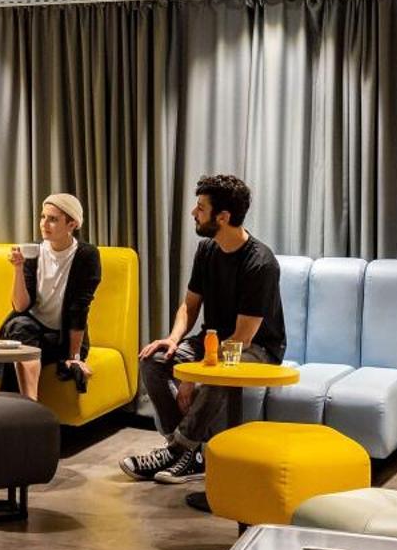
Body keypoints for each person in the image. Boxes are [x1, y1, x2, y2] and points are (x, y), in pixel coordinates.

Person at [119, 173, 286, 486]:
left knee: (222, 372)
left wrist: (195, 374)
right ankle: (188, 453)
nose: (193, 213)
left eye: (201, 208)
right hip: (211, 341)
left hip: (256, 349)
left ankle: (178, 450)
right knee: (153, 360)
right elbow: (189, 306)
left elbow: (242, 338)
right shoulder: (206, 250)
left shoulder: (261, 263)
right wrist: (172, 339)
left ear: (223, 217)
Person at [0, 193, 101, 401]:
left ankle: (21, 410)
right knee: (20, 327)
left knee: (21, 338)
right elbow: (20, 306)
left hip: (62, 336)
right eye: (43, 217)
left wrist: (75, 357)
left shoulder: (86, 255)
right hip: (30, 330)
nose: (44, 224)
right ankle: (30, 405)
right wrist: (18, 269)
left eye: (52, 219)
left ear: (72, 224)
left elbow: (79, 309)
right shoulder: (33, 250)